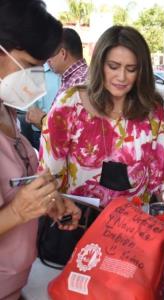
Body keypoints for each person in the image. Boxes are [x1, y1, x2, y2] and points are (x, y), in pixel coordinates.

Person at [39, 25, 164, 207]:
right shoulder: (69, 105)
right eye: (113, 66)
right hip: (78, 224)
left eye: (131, 69)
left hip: (135, 226)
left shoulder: (151, 109)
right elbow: (48, 176)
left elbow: (160, 176)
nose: (122, 77)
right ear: (100, 64)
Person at [0, 1, 80, 299]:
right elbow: (14, 207)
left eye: (40, 66)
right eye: (29, 64)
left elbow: (14, 186)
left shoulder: (6, 112)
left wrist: (48, 202)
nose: (36, 75)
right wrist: (19, 211)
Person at [26, 27, 88, 130]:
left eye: (50, 54)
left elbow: (71, 130)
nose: (48, 60)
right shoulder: (75, 78)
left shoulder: (78, 82)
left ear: (63, 53)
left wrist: (42, 119)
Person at [18, 63, 60, 149]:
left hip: (66, 130)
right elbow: (30, 109)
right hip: (41, 131)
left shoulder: (67, 70)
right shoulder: (35, 71)